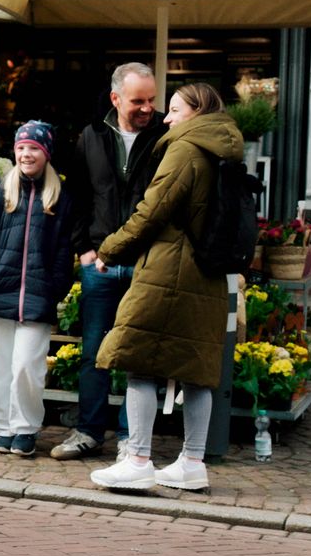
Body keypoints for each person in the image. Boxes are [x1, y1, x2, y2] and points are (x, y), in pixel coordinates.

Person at [89, 82, 244, 495]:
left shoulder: (186, 149)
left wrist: (110, 249)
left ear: (196, 112)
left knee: (139, 360)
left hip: (169, 270)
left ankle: (137, 459)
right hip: (208, 273)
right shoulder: (223, 150)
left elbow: (151, 211)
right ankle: (192, 463)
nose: (167, 118)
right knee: (196, 371)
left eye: (175, 110)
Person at [51, 61, 164, 461]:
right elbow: (78, 196)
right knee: (94, 352)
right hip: (98, 262)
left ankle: (131, 442)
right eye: (138, 100)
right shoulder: (92, 135)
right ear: (116, 98)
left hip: (145, 264)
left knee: (137, 354)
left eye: (152, 99)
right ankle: (88, 432)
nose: (147, 107)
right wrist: (84, 247)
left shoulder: (167, 136)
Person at [0, 120, 74, 459]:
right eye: (21, 148)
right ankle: (3, 428)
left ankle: (25, 428)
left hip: (38, 295)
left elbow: (63, 250)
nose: (27, 154)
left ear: (46, 153)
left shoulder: (59, 197)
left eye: (34, 149)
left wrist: (56, 286)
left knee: (28, 366)